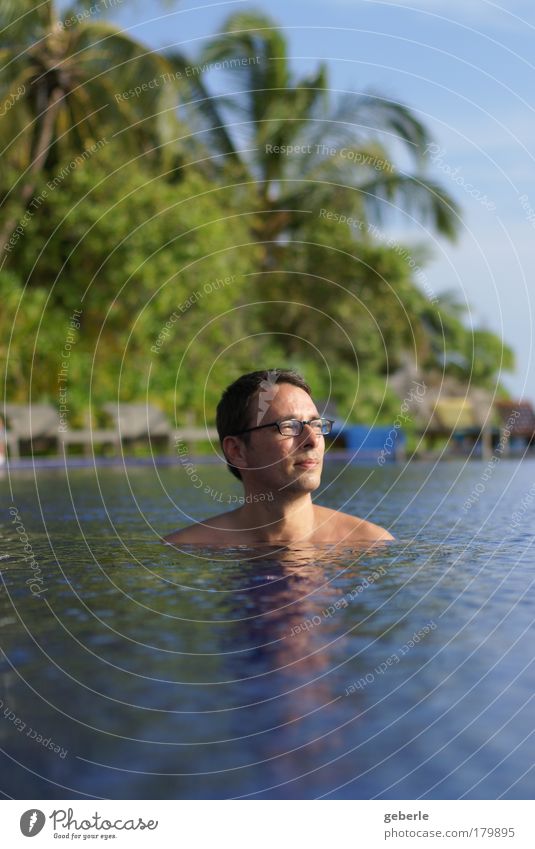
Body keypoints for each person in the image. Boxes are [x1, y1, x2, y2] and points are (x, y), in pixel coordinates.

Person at [164, 369, 393, 545]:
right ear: (237, 451)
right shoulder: (187, 548)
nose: (312, 439)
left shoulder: (368, 545)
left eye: (316, 424)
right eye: (289, 426)